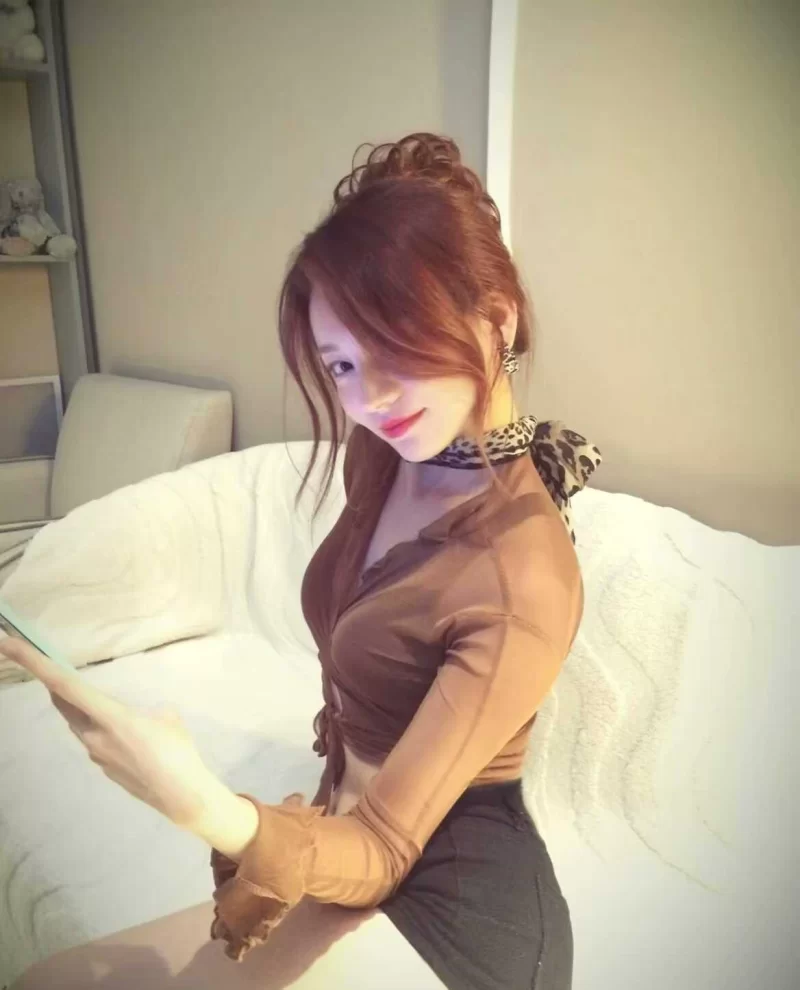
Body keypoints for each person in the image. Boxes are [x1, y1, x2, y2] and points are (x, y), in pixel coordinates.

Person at [10, 132, 601, 990]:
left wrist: (199, 802)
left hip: (455, 907)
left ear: (497, 320)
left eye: (397, 346)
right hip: (341, 836)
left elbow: (386, 847)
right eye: (343, 364)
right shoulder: (388, 452)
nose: (371, 398)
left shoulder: (524, 576)